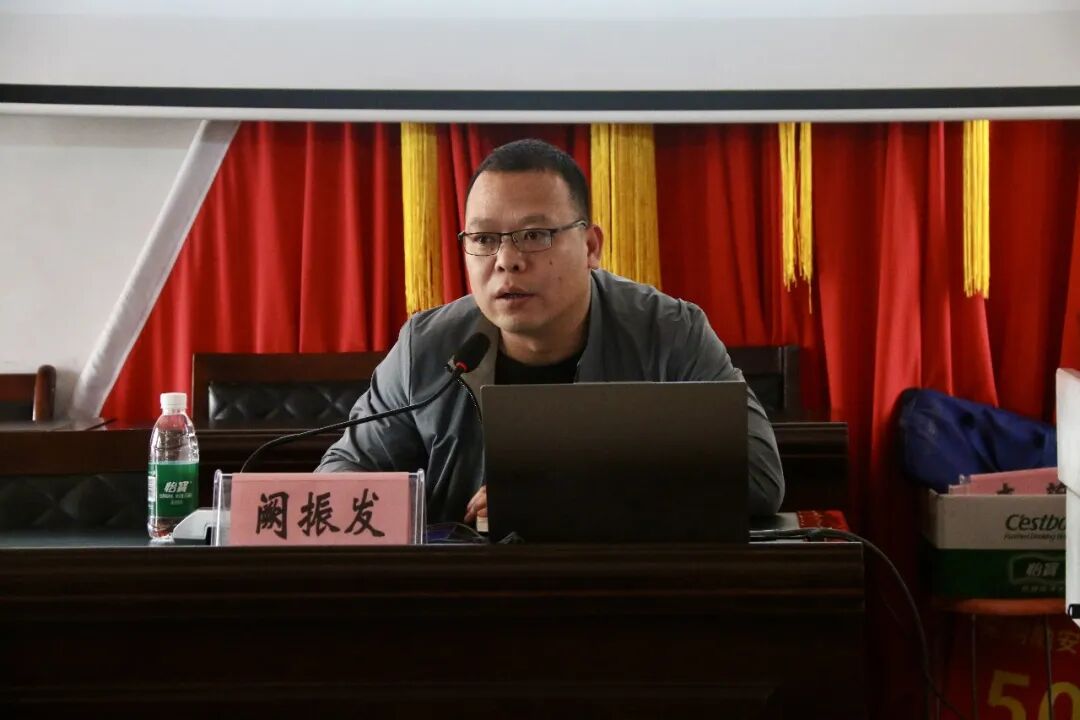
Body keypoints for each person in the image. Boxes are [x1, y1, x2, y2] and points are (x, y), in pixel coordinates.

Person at [317, 138, 784, 522]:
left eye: (534, 235)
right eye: (484, 239)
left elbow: (758, 478)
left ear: (590, 246)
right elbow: (340, 475)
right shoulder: (428, 345)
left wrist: (561, 494)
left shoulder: (669, 332)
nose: (506, 260)